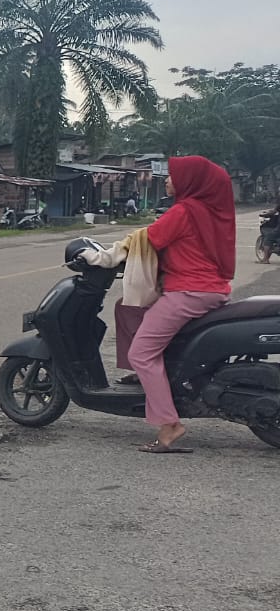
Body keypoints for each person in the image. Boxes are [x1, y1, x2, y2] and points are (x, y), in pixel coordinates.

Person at [116, 155, 235, 453]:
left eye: (172, 177)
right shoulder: (208, 210)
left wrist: (107, 255)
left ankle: (169, 424)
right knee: (134, 315)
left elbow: (147, 239)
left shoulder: (183, 211)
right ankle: (152, 382)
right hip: (210, 288)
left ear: (190, 182)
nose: (167, 180)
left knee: (142, 353)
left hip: (188, 291)